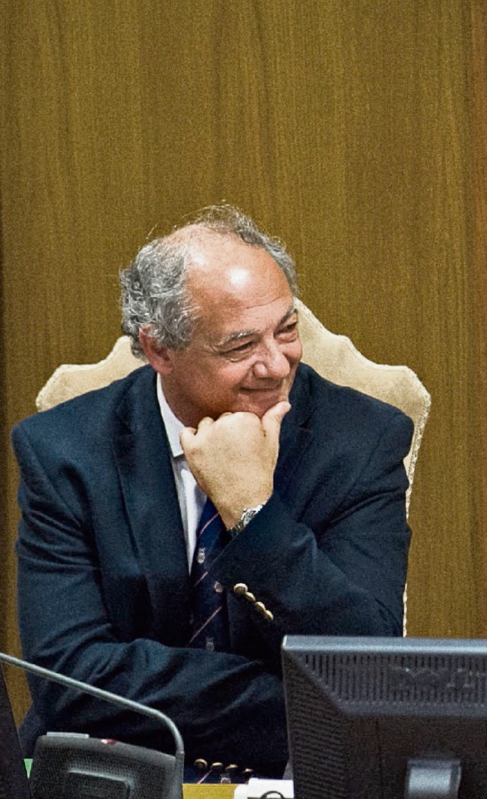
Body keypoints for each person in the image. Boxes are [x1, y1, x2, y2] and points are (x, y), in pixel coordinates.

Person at [12, 205, 413, 779]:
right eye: (239, 347)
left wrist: (253, 515)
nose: (276, 365)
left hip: (291, 774)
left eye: (287, 329)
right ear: (159, 351)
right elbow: (71, 681)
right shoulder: (64, 453)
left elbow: (365, 664)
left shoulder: (361, 442)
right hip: (115, 771)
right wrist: (291, 698)